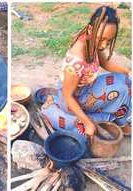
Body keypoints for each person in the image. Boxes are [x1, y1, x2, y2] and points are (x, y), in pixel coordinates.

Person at [41, 6, 131, 138]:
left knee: (127, 82)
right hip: (73, 101)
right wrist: (87, 123)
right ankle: (91, 118)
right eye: (102, 39)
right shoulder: (76, 61)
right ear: (90, 29)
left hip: (87, 89)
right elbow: (68, 96)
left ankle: (120, 122)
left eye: (109, 40)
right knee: (83, 129)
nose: (104, 45)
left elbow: (105, 62)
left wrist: (128, 71)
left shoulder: (93, 40)